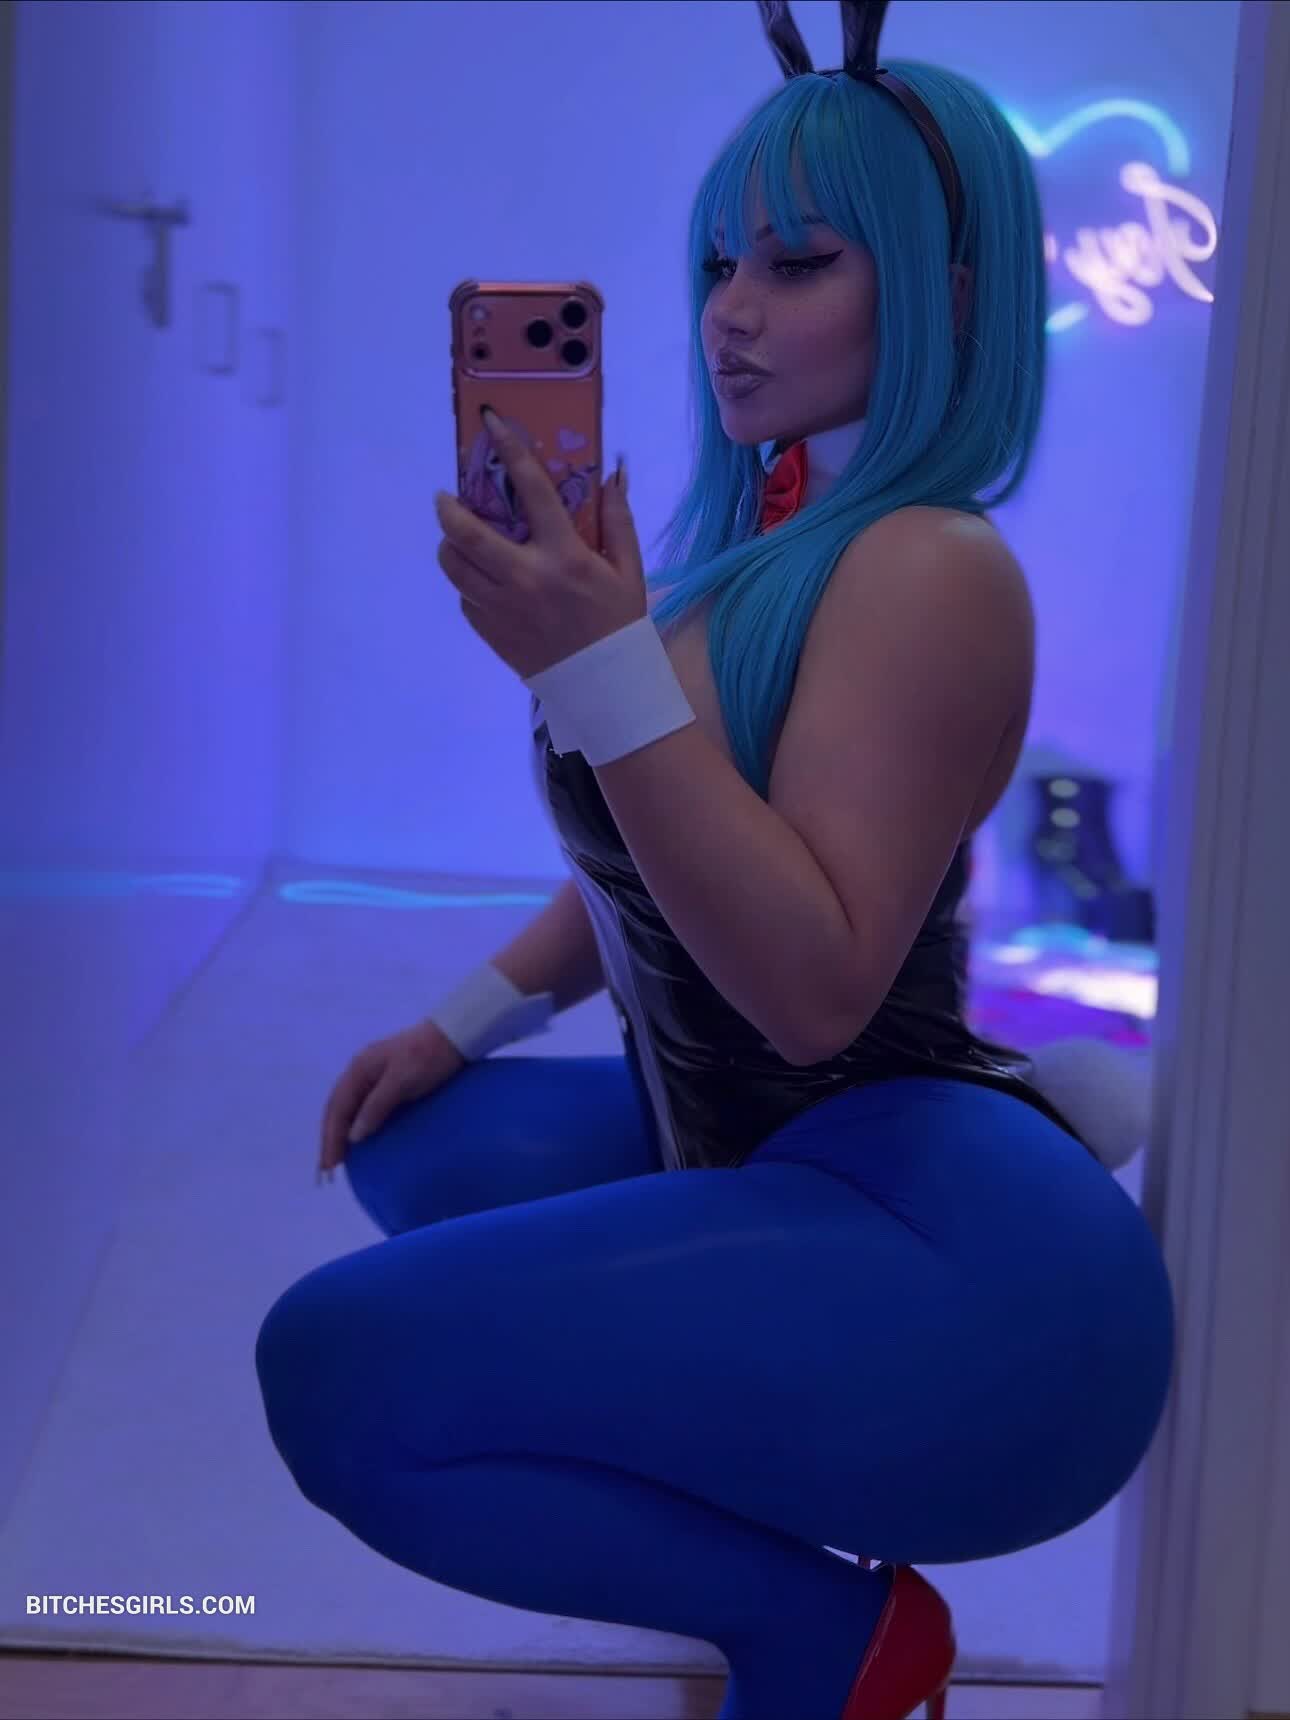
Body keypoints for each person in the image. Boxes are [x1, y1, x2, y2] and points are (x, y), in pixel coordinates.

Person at [255, 4, 1175, 1716]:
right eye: (715, 264)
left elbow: (811, 993)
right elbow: (654, 863)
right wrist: (459, 1019)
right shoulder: (750, 553)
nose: (730, 314)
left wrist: (601, 675)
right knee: (424, 1144)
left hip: (969, 1274)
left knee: (332, 1364)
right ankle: (760, 1466)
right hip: (780, 1149)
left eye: (799, 263)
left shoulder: (927, 565)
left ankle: (824, 1634)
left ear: (940, 294)